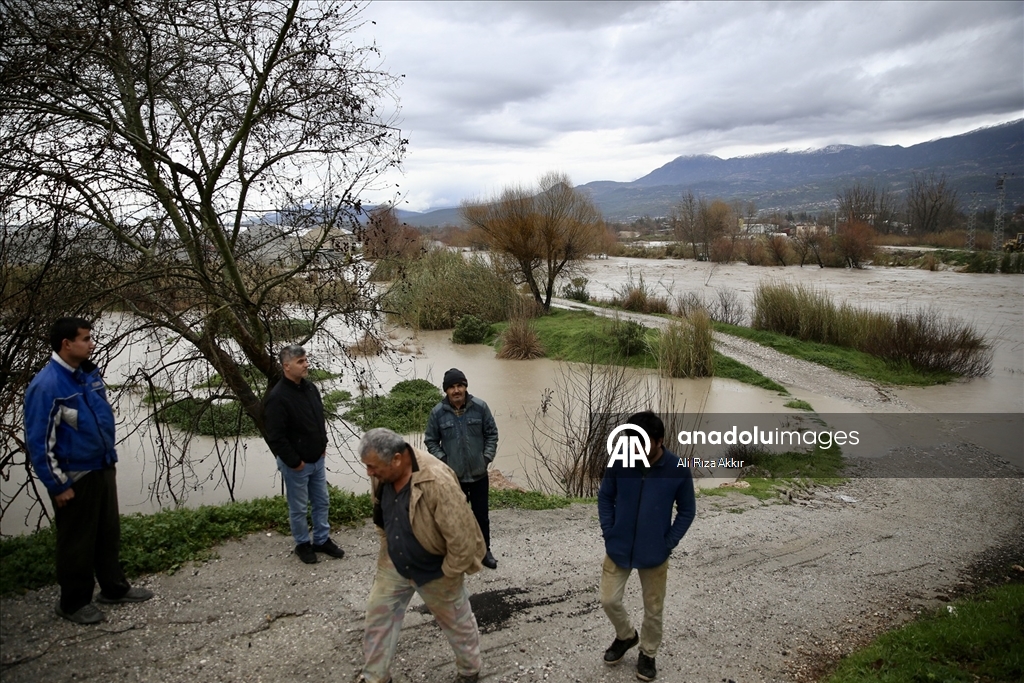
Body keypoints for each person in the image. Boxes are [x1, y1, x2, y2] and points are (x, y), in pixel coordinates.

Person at [24, 317, 154, 625]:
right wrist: (58, 485)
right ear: (66, 344)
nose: (91, 344)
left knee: (107, 533)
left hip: (102, 465)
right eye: (85, 339)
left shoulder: (87, 375)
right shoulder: (47, 386)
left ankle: (114, 588)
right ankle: (73, 603)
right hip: (75, 475)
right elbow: (39, 442)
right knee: (77, 541)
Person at [359, 427, 486, 683]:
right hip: (395, 561)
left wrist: (449, 573)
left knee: (457, 623)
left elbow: (462, 538)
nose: (369, 472)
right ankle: (375, 677)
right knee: (378, 617)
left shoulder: (437, 479)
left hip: (435, 567)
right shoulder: (383, 471)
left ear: (396, 459)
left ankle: (469, 671)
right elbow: (380, 512)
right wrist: (386, 546)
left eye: (372, 466)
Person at [597, 411, 696, 682]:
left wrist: (668, 542)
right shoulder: (620, 461)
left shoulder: (677, 469)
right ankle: (626, 636)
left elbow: (687, 511)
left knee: (653, 608)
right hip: (618, 547)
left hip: (655, 552)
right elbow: (605, 497)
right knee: (608, 599)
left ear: (659, 441)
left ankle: (648, 653)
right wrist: (609, 532)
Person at [263, 345, 345, 564]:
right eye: (300, 362)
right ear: (286, 366)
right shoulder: (277, 397)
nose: (306, 364)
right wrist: (294, 462)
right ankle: (302, 544)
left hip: (317, 459)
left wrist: (323, 444)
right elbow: (276, 436)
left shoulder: (310, 389)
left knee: (322, 502)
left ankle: (321, 540)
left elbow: (318, 419)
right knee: (299, 508)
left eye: (306, 360)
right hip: (297, 465)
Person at [424, 368, 499, 569]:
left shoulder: (480, 408)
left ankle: (484, 552)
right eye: (452, 387)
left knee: (481, 516)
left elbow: (492, 434)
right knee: (455, 518)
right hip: (453, 478)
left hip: (478, 474)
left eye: (460, 386)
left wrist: (486, 458)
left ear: (465, 387)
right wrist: (444, 462)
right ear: (446, 390)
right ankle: (460, 553)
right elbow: (431, 441)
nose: (456, 390)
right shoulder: (438, 413)